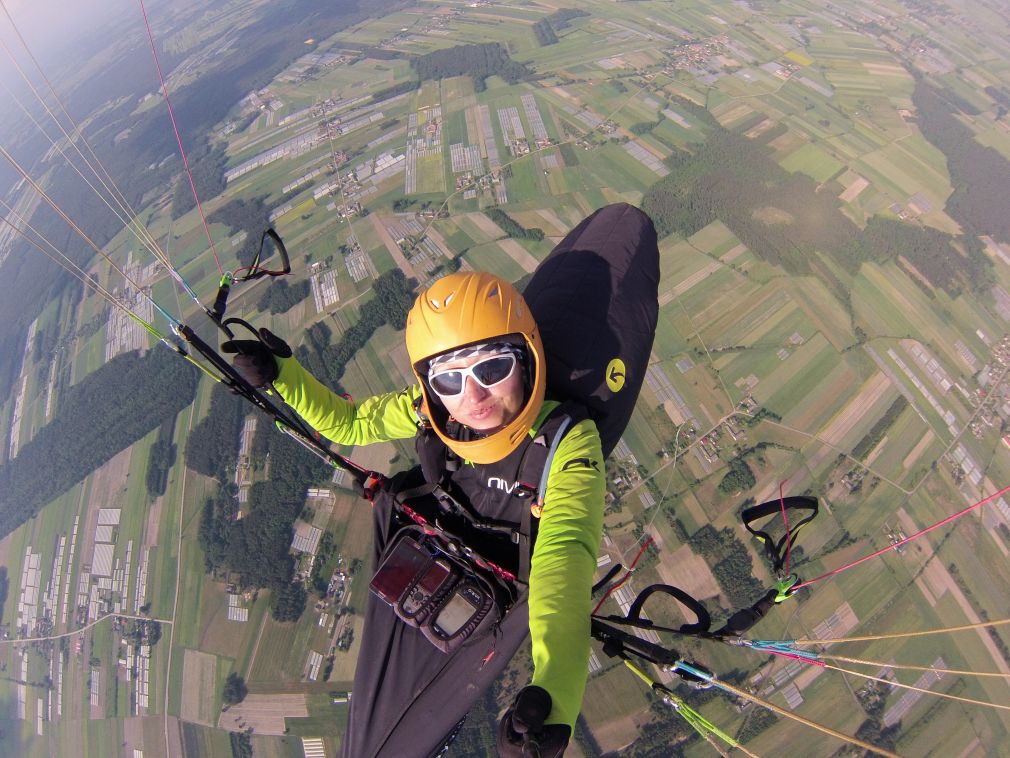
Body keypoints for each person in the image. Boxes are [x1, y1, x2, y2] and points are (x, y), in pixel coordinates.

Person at [227, 270, 605, 757]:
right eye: (450, 378)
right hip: (428, 555)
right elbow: (352, 422)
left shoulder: (567, 442)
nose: (473, 397)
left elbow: (564, 565)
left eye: (491, 368)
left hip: (494, 593)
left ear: (525, 356)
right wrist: (285, 378)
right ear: (431, 384)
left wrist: (554, 700)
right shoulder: (432, 410)